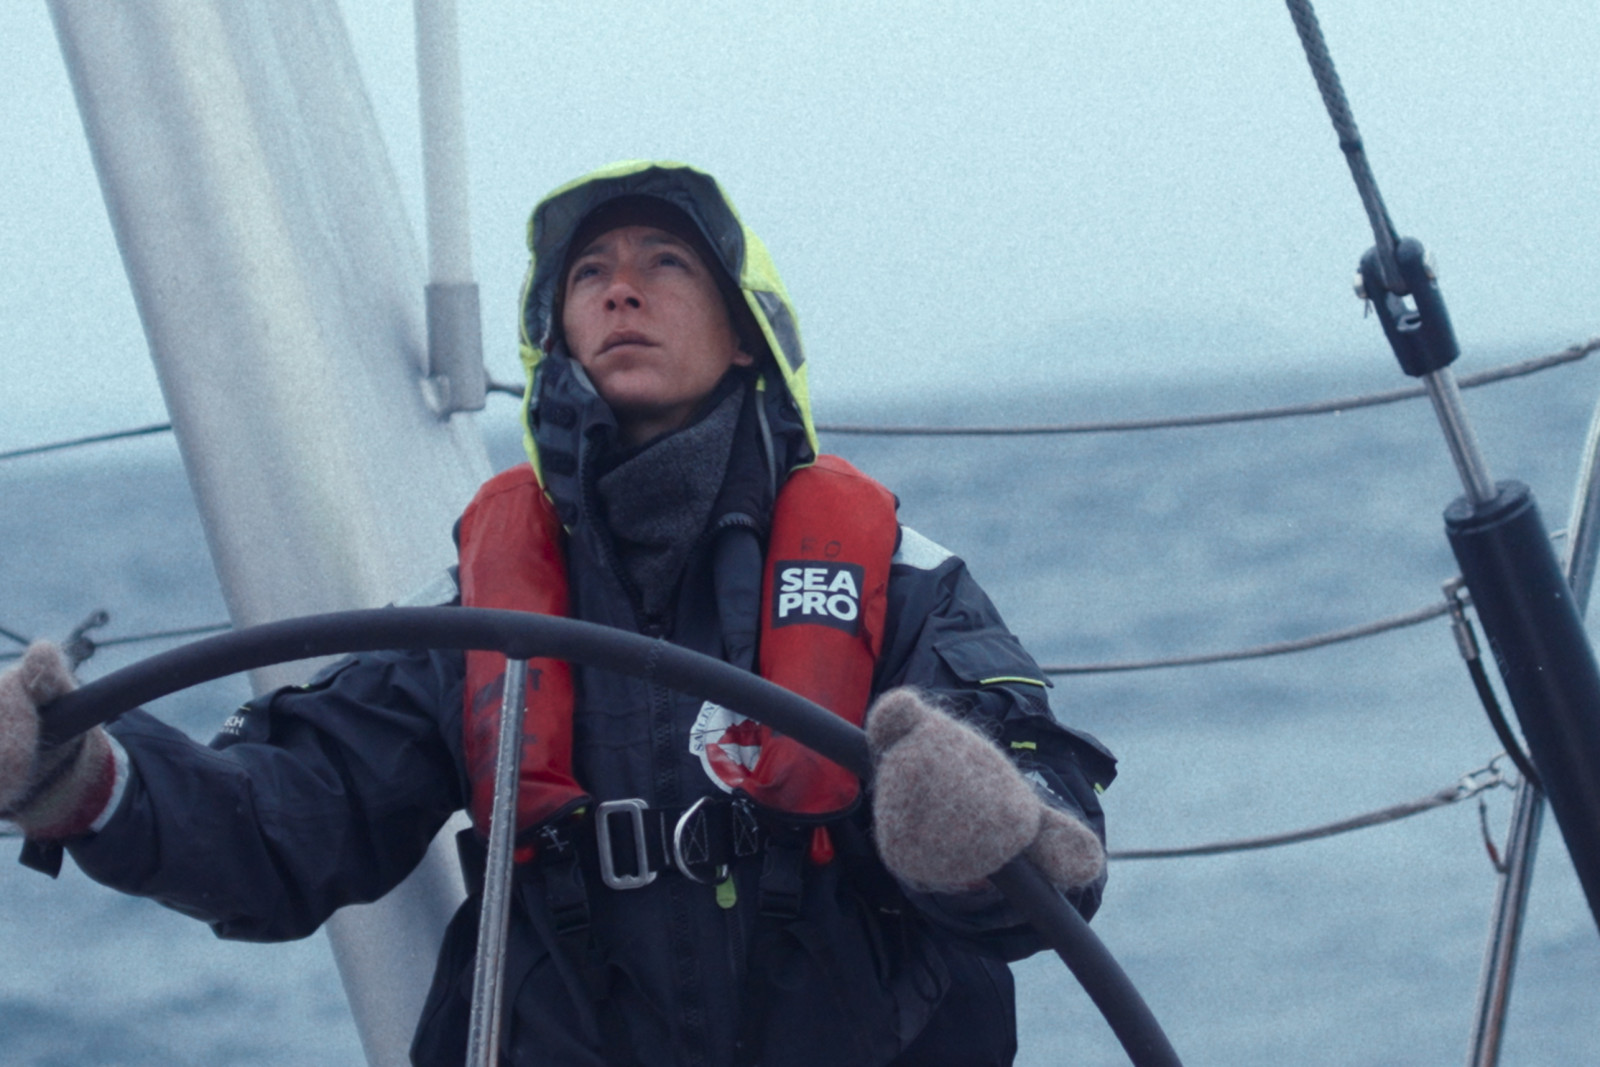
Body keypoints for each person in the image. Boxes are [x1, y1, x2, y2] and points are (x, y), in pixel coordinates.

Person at [0, 161, 1117, 1066]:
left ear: (744, 331)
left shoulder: (898, 577)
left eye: (665, 262)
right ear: (559, 336)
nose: (621, 290)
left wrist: (990, 827)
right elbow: (291, 815)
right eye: (591, 273)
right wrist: (89, 773)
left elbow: (1050, 825)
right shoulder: (481, 610)